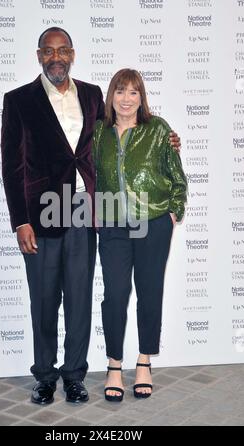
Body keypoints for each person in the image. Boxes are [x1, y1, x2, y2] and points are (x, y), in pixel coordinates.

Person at [1, 28, 182, 405]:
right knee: (44, 299)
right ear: (39, 56)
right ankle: (45, 376)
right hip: (43, 211)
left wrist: (169, 141)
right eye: (49, 51)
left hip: (85, 208)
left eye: (63, 50)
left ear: (72, 54)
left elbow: (123, 135)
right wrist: (20, 220)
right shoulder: (18, 100)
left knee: (81, 297)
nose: (57, 57)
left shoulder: (90, 94)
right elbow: (11, 165)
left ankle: (75, 375)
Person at [93, 69, 187, 402]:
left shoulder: (159, 130)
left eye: (134, 92)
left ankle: (144, 360)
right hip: (113, 224)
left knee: (150, 292)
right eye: (120, 91)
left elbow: (178, 177)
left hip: (153, 221)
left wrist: (174, 210)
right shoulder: (99, 133)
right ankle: (114, 365)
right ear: (111, 96)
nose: (127, 99)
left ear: (141, 97)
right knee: (115, 294)